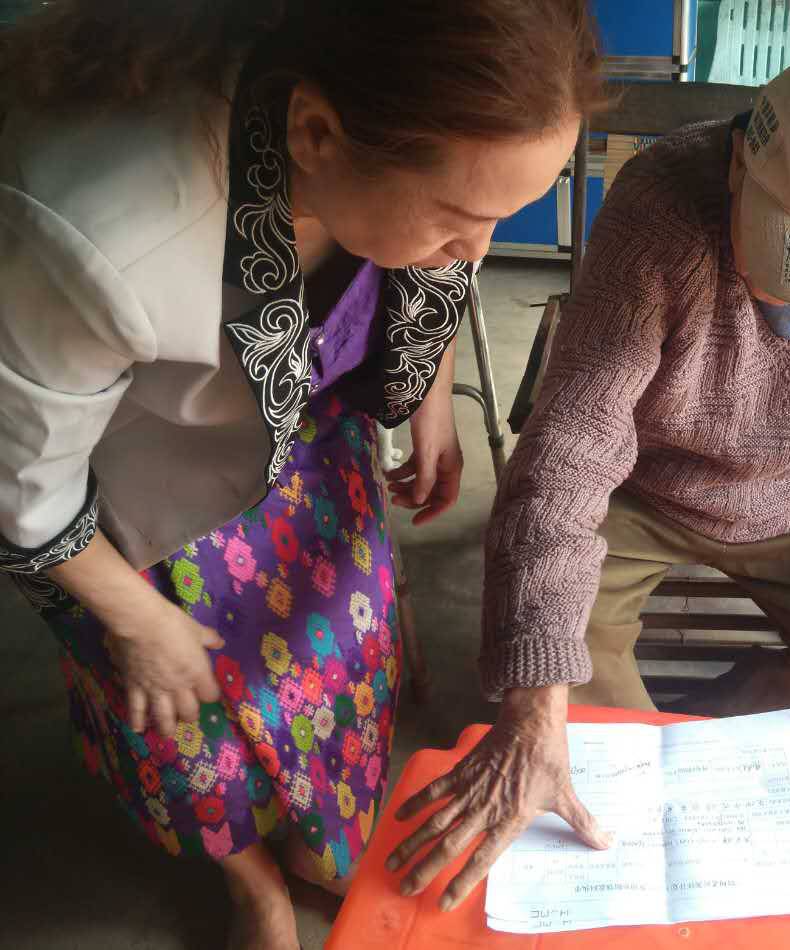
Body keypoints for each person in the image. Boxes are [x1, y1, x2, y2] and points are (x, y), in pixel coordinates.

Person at [0, 2, 603, 947]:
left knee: (339, 664)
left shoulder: (386, 143)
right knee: (188, 727)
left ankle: (313, 838)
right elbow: (21, 485)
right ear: (316, 134)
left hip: (310, 439)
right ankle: (252, 885)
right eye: (460, 219)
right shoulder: (92, 237)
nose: (482, 251)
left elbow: (435, 258)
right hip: (146, 496)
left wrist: (428, 394)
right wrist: (133, 617)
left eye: (502, 217)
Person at [390, 50, 790, 910]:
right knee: (549, 675)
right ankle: (654, 749)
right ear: (741, 161)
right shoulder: (660, 207)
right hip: (641, 486)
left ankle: (689, 746)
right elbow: (572, 449)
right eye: (789, 247)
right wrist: (534, 713)